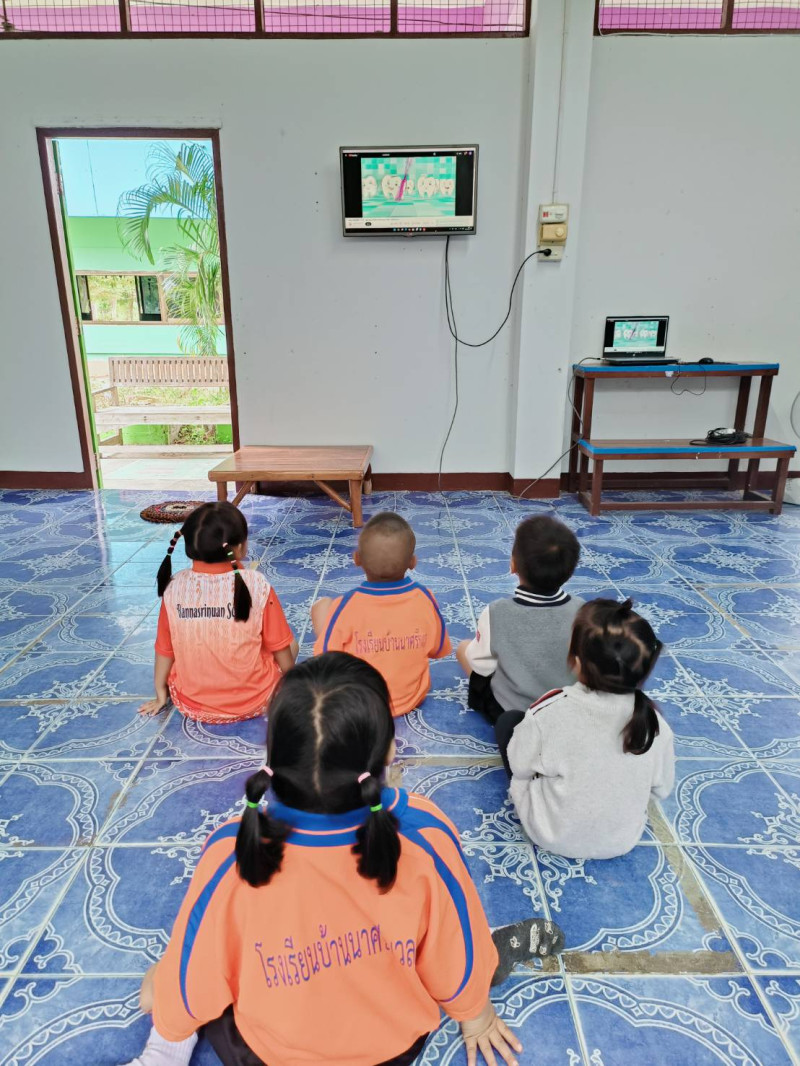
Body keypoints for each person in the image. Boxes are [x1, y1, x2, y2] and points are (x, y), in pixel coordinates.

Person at [125, 653, 526, 1066]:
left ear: (272, 757)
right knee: (451, 926)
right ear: (389, 750)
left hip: (267, 1055)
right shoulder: (425, 833)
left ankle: (163, 1053)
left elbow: (193, 982)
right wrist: (477, 1018)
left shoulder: (232, 848)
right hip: (390, 1052)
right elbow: (458, 959)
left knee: (182, 970)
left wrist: (167, 1002)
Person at [495, 598, 675, 860]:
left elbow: (520, 765)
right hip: (621, 840)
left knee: (508, 722)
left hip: (549, 834)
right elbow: (660, 789)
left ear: (577, 662)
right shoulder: (655, 724)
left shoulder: (549, 712)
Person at [139, 502, 297, 724]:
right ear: (240, 547)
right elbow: (279, 645)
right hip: (257, 700)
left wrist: (160, 693)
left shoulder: (174, 587)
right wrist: (292, 688)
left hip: (191, 704)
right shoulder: (257, 584)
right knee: (291, 644)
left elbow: (165, 648)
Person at [311, 512, 451, 716]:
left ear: (357, 559)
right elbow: (438, 650)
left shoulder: (347, 604)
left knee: (322, 606)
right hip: (412, 698)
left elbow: (325, 657)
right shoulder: (425, 598)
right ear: (413, 562)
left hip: (361, 702)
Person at [456, 515, 582, 723]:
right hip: (564, 709)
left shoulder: (496, 612)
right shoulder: (583, 610)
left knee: (463, 649)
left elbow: (480, 666)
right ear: (570, 572)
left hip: (510, 711)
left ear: (513, 565)